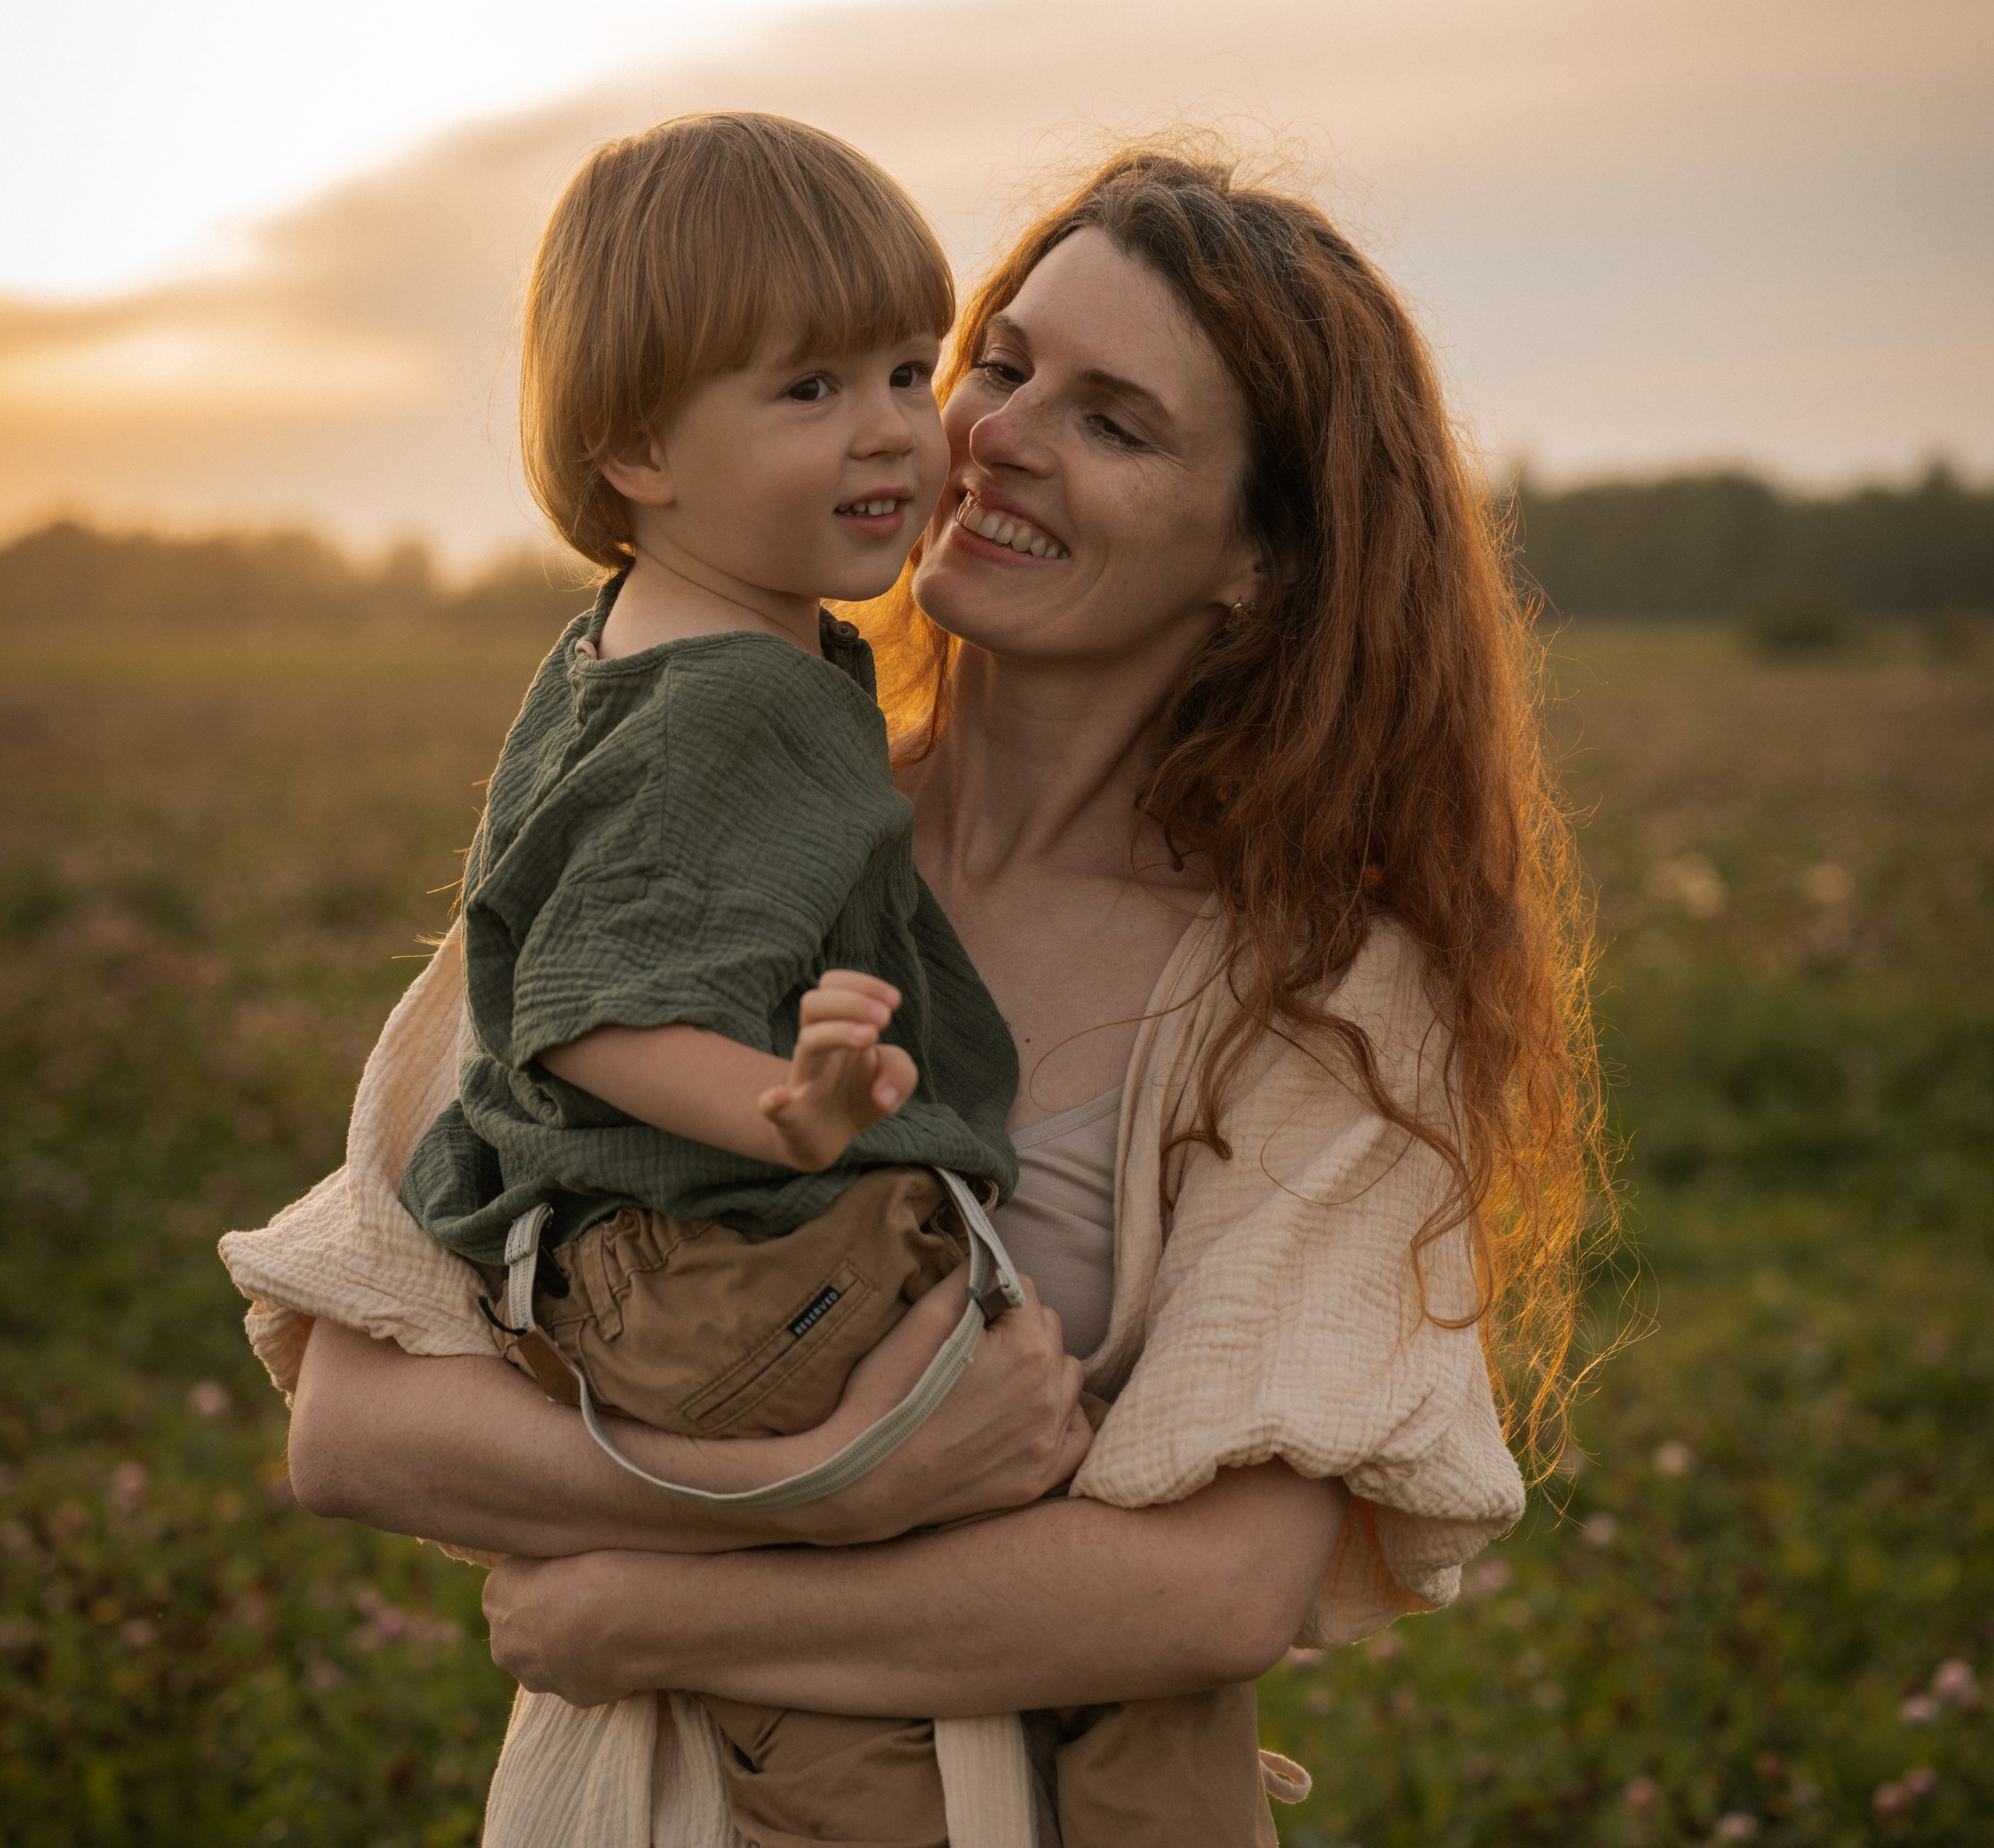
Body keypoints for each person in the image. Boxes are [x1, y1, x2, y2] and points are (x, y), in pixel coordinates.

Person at [224, 136, 1601, 1848]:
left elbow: (1213, 1590)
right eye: (999, 365)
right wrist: (815, 1486)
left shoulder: (1324, 988)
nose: (990, 433)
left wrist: (643, 1603)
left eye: (1112, 418)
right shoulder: (688, 817)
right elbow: (358, 1421)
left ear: (1261, 559)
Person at [376, 109, 1276, 1846]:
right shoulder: (745, 698)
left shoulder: (647, 654)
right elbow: (589, 1001)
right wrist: (784, 1115)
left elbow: (1231, 1586)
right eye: (809, 391)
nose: (918, 432)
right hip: (721, 1263)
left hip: (678, 1262)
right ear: (636, 443)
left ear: (1259, 553)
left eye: (900, 365)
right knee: (899, 1728)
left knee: (1138, 1645)